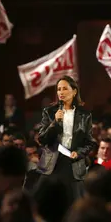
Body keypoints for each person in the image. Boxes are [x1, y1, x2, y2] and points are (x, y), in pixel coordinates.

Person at [38, 75, 94, 204]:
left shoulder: (85, 115)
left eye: (64, 89)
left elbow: (90, 142)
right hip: (52, 163)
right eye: (58, 89)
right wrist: (54, 123)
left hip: (73, 163)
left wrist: (79, 152)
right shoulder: (49, 112)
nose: (61, 92)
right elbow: (42, 139)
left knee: (73, 203)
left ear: (74, 91)